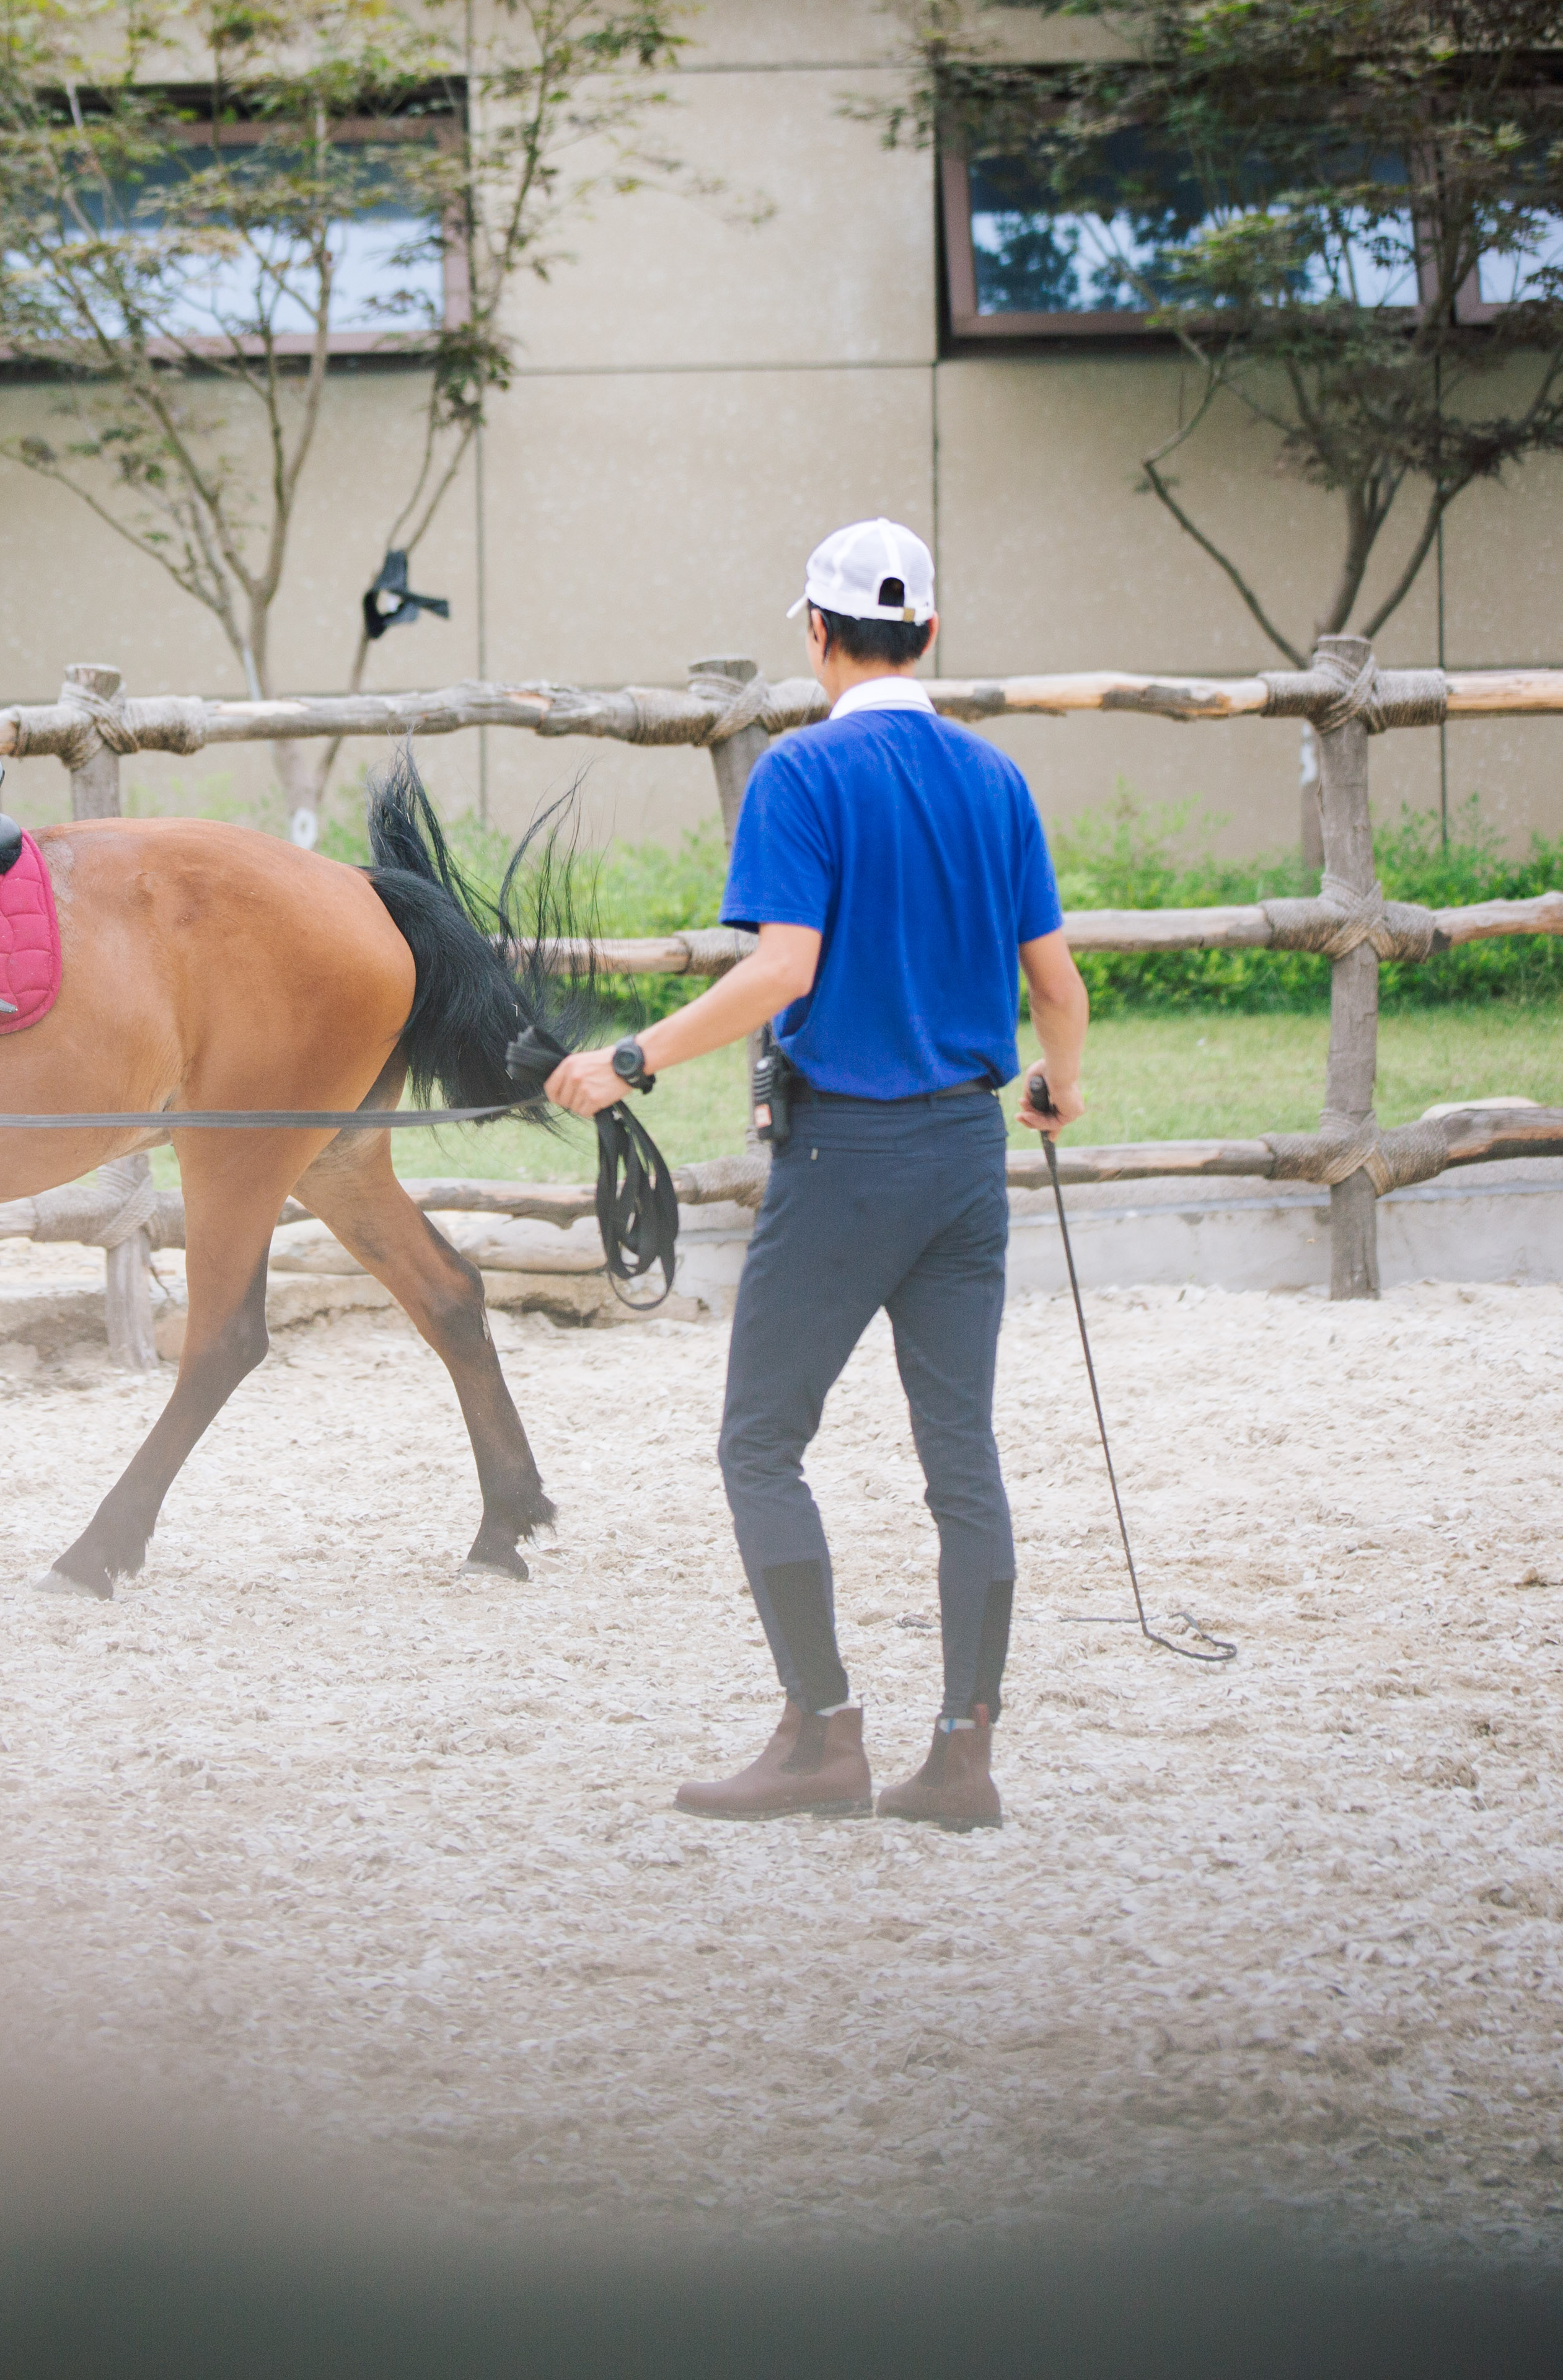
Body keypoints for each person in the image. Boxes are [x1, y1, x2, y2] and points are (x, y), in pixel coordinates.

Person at [547, 519, 1090, 1832]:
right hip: (968, 1154)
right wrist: (1054, 1089)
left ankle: (823, 1732)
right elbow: (1057, 990)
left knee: (760, 1441)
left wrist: (632, 1056)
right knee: (961, 1455)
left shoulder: (801, 775)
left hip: (848, 1154)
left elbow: (786, 968)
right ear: (933, 633)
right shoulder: (996, 779)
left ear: (817, 632)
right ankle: (965, 1754)